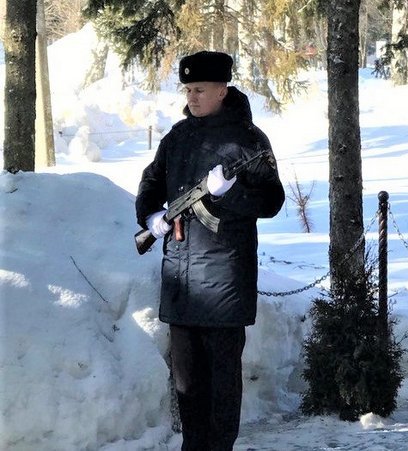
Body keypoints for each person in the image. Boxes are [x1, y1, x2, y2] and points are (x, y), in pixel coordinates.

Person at [135, 50, 284, 450]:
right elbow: (150, 183)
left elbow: (271, 202)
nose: (192, 97)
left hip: (223, 285)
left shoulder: (247, 140)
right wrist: (151, 218)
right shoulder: (177, 138)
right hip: (181, 282)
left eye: (199, 89)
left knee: (221, 388)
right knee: (186, 386)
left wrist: (230, 194)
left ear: (222, 89)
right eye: (187, 89)